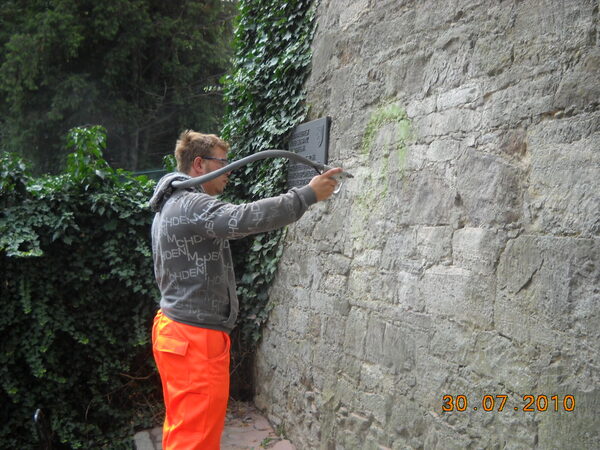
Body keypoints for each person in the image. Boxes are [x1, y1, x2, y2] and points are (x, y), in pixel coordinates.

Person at [149, 130, 341, 449]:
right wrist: (306, 195)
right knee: (195, 437)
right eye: (222, 162)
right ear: (199, 164)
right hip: (194, 340)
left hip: (177, 332)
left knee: (183, 427)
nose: (229, 170)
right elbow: (242, 218)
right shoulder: (190, 203)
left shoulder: (171, 202)